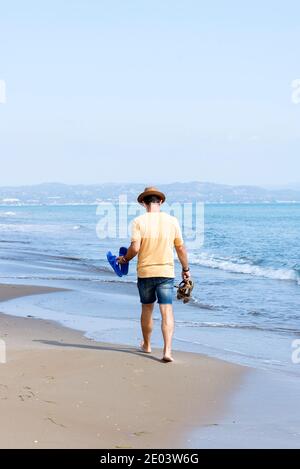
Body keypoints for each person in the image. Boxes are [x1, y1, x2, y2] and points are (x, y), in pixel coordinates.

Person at [117, 187, 191, 363]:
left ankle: (147, 345)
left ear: (143, 203)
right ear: (161, 202)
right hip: (165, 272)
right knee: (166, 311)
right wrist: (186, 269)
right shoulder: (172, 221)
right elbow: (180, 247)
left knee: (147, 309)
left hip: (145, 273)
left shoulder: (138, 221)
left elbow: (135, 248)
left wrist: (124, 259)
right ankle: (167, 351)